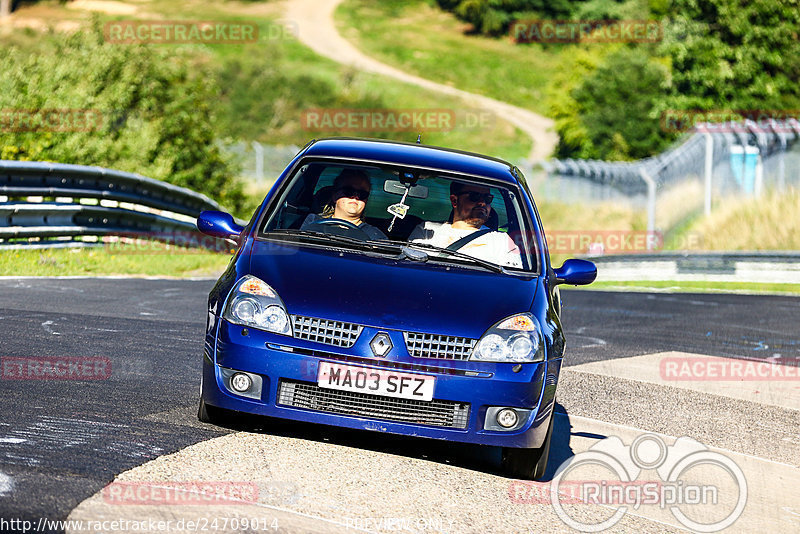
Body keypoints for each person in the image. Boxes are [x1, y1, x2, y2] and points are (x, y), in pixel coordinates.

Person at [408, 182, 522, 268]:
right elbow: (412, 268)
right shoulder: (427, 231)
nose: (482, 203)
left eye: (487, 199)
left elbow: (512, 280)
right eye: (474, 196)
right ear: (454, 201)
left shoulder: (502, 241)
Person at [301, 168, 387, 240]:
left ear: (366, 200)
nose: (355, 196)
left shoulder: (375, 236)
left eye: (362, 193)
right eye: (348, 191)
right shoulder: (312, 221)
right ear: (335, 196)